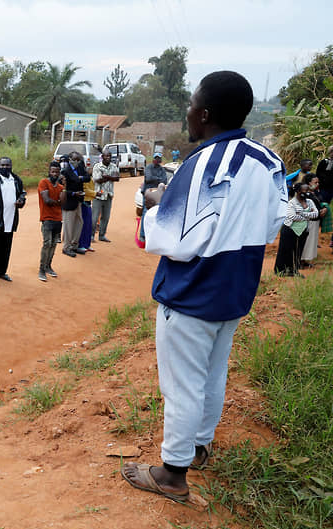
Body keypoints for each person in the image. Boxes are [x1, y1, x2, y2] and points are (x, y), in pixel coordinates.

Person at [121, 71, 287, 502]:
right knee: (213, 373)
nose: (188, 112)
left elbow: (173, 240)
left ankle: (172, 474)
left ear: (206, 114)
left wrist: (157, 204)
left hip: (192, 292)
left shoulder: (201, 165)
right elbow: (274, 223)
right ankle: (198, 447)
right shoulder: (269, 162)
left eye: (192, 104)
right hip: (235, 290)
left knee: (181, 385)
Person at [274, 180, 318, 277]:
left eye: (308, 191)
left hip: (303, 231)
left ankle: (293, 271)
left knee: (298, 251)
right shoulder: (291, 203)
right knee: (286, 251)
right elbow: (292, 216)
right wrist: (307, 215)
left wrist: (302, 214)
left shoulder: (310, 201)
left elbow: (316, 214)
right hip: (290, 230)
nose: (307, 193)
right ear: (298, 191)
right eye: (304, 191)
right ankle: (281, 271)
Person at [37, 161, 65, 281]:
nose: (55, 174)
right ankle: (41, 269)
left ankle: (49, 266)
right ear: (49, 172)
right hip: (47, 218)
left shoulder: (60, 187)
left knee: (54, 244)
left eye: (57, 172)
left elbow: (63, 202)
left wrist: (65, 186)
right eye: (53, 172)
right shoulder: (44, 183)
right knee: (47, 243)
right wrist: (57, 202)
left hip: (58, 219)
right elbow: (47, 200)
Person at [61, 152, 87, 258]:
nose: (76, 162)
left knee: (79, 223)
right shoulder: (65, 171)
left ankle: (74, 245)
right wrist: (73, 193)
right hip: (69, 201)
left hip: (78, 201)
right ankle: (66, 247)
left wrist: (79, 178)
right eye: (74, 160)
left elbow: (88, 178)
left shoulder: (80, 168)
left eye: (78, 160)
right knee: (68, 226)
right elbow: (62, 190)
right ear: (69, 159)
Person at [91, 150, 120, 242]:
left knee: (106, 217)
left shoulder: (113, 166)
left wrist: (107, 177)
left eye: (109, 156)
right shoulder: (97, 166)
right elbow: (97, 180)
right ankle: (91, 235)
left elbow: (117, 178)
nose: (108, 158)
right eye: (106, 156)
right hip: (98, 195)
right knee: (94, 217)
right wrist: (110, 177)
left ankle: (102, 235)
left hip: (108, 195)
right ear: (102, 157)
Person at [139, 152, 168, 242]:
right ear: (153, 159)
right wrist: (158, 179)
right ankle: (142, 235)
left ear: (160, 160)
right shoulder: (149, 167)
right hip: (148, 194)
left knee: (155, 215)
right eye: (156, 158)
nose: (157, 160)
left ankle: (151, 236)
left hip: (158, 195)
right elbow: (148, 178)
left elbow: (165, 181)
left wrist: (155, 178)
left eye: (159, 158)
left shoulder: (162, 169)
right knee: (145, 213)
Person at [300, 173, 326, 267]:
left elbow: (321, 202)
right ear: (309, 183)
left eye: (318, 182)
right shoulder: (304, 195)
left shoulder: (315, 193)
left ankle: (305, 261)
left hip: (315, 221)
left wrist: (324, 208)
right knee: (306, 242)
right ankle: (301, 261)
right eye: (315, 182)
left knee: (311, 242)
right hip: (308, 222)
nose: (317, 184)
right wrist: (319, 212)